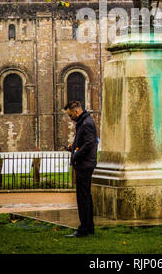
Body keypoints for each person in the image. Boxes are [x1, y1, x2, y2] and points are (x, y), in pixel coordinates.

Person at [64, 100, 98, 238]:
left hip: (85, 165)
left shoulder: (86, 123)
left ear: (77, 111)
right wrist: (73, 148)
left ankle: (84, 228)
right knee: (85, 197)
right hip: (85, 163)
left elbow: (90, 142)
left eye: (70, 115)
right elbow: (85, 142)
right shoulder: (84, 122)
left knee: (83, 198)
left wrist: (77, 154)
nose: (70, 118)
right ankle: (89, 227)